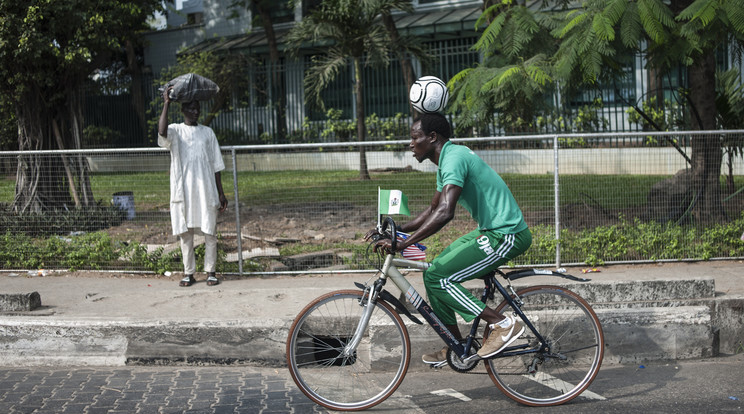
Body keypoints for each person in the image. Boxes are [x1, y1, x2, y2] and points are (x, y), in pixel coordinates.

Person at [367, 112, 532, 365]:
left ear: (432, 137)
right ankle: (457, 347)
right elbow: (433, 209)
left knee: (439, 277)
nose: (411, 144)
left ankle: (503, 323)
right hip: (490, 230)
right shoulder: (447, 160)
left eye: (415, 138)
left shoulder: (453, 159)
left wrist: (403, 243)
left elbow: (445, 213)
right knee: (433, 272)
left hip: (507, 234)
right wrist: (397, 230)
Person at [158, 87, 228, 287]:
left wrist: (221, 193)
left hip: (206, 191)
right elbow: (161, 132)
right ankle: (189, 273)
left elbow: (216, 165)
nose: (196, 112)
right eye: (192, 109)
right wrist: (166, 103)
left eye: (198, 109)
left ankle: (211, 272)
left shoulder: (207, 133)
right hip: (184, 191)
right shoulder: (176, 131)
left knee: (210, 233)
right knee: (185, 233)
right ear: (184, 111)